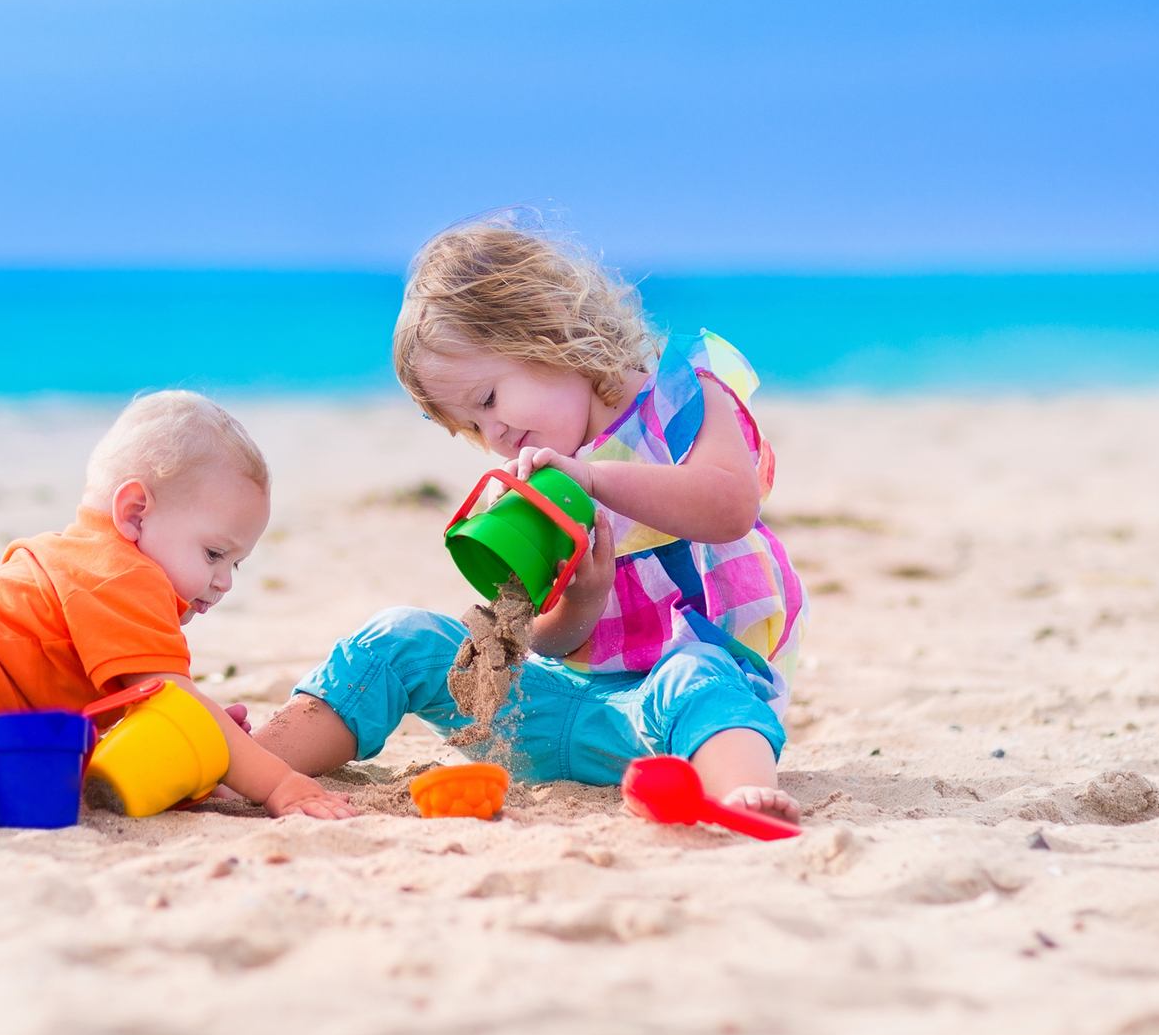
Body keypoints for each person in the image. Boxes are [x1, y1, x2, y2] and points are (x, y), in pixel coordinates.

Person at [256, 216, 805, 823]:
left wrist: (596, 479)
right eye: (470, 425)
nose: (493, 433)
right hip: (555, 718)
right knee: (400, 639)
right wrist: (582, 604)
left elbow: (730, 506)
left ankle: (737, 797)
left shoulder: (683, 397)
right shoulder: (538, 480)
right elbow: (537, 645)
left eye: (489, 399)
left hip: (683, 718)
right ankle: (251, 766)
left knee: (697, 671)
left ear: (546, 330)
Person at [0, 390, 355, 830]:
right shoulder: (117, 569)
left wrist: (193, 749)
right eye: (214, 553)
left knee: (43, 758)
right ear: (134, 513)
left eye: (238, 563)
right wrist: (281, 783)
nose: (225, 581)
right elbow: (172, 693)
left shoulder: (103, 578)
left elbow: (141, 718)